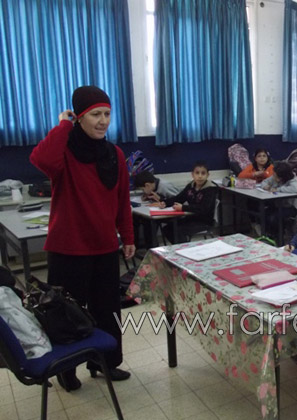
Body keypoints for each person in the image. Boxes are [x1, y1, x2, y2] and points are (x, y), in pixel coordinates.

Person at [29, 85, 134, 390]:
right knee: (67, 314)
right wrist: (63, 125)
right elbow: (41, 159)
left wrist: (127, 236)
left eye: (107, 114)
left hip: (104, 246)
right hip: (68, 248)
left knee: (107, 311)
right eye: (95, 114)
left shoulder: (114, 154)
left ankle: (106, 364)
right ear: (79, 117)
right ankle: (66, 370)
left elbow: (122, 200)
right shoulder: (64, 151)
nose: (103, 121)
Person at [159, 161, 218, 244]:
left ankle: (184, 248)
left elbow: (204, 209)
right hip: (191, 218)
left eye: (203, 173)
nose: (200, 176)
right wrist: (165, 203)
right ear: (192, 175)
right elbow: (179, 198)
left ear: (208, 175)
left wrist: (183, 207)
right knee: (167, 228)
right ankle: (180, 247)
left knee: (178, 230)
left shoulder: (210, 189)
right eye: (197, 173)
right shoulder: (191, 186)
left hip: (204, 221)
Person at [261, 161, 297, 240]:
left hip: (291, 207)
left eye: (276, 176)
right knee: (264, 213)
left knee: (275, 217)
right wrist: (265, 186)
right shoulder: (275, 177)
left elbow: (296, 189)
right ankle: (268, 235)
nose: (274, 177)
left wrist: (278, 189)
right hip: (279, 205)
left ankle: (278, 238)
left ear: (282, 177)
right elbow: (265, 182)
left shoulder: (292, 180)